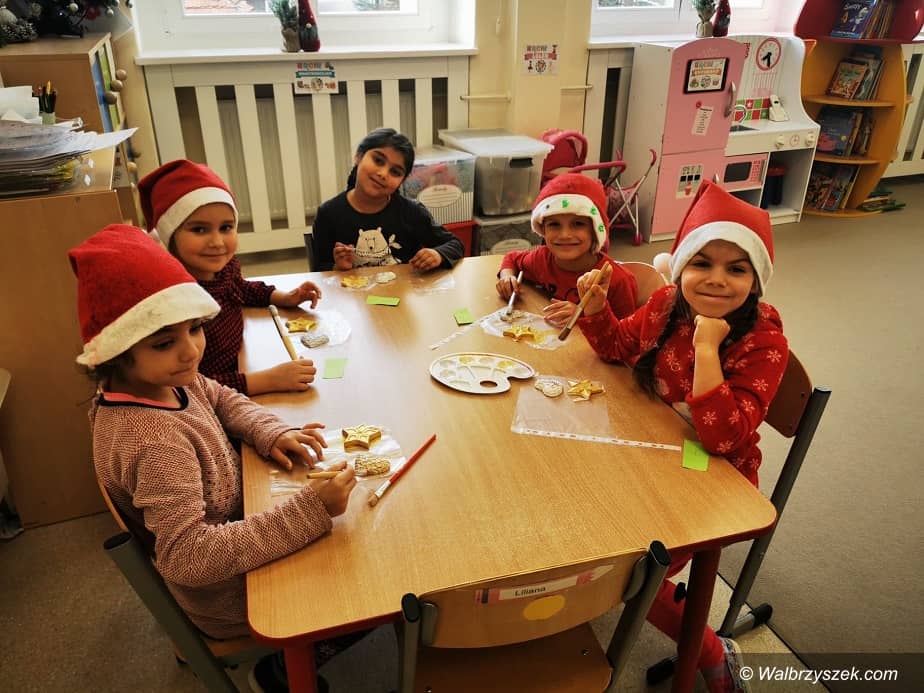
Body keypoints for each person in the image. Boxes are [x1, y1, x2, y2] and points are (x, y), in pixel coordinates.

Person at [70, 225, 359, 692]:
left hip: (240, 522)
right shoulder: (153, 443)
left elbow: (219, 396)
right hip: (228, 593)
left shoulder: (161, 380)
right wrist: (310, 511)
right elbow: (188, 557)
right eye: (164, 342)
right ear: (116, 352)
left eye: (195, 328)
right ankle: (279, 672)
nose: (191, 351)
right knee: (368, 580)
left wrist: (270, 430)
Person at [575, 181, 789, 693]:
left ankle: (711, 651)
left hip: (716, 476)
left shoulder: (764, 341)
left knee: (634, 572)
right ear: (680, 266)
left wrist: (708, 349)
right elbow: (618, 347)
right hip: (653, 448)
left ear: (756, 281)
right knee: (577, 505)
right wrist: (597, 307)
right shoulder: (666, 303)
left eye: (736, 269)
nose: (716, 279)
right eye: (702, 263)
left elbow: (721, 439)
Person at [138, 159, 322, 395]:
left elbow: (241, 289)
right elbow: (191, 386)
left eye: (225, 227)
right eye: (199, 229)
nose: (217, 242)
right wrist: (269, 380)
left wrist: (286, 297)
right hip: (222, 396)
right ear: (170, 234)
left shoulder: (225, 268)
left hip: (242, 358)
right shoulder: (176, 301)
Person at [311, 128, 465, 272]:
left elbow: (455, 244)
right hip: (351, 292)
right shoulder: (328, 214)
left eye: (395, 172)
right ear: (358, 157)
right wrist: (338, 267)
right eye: (378, 160)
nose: (383, 174)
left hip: (403, 291)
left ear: (402, 181)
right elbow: (320, 268)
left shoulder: (412, 212)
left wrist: (437, 254)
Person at [495, 173, 637, 326]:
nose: (565, 235)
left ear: (595, 230)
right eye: (554, 224)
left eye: (578, 224)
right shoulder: (541, 259)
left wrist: (581, 316)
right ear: (543, 229)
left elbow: (625, 334)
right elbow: (511, 259)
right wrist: (507, 277)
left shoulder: (618, 281)